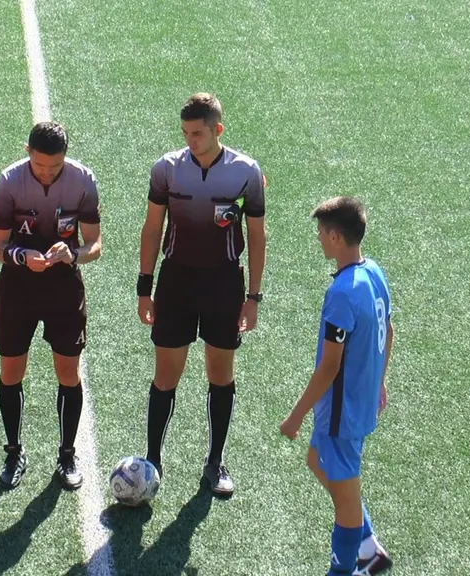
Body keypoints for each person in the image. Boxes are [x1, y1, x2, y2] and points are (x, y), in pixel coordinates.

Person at [137, 93, 267, 496]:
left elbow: (257, 236)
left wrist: (253, 297)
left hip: (223, 283)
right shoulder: (166, 169)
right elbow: (152, 228)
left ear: (217, 130)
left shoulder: (246, 172)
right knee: (165, 376)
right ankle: (152, 461)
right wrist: (144, 287)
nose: (190, 140)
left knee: (220, 374)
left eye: (197, 133)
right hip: (176, 281)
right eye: (185, 133)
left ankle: (215, 462)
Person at [280, 196, 394, 575]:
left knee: (345, 504)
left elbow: (330, 366)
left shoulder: (342, 293)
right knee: (317, 461)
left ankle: (348, 568)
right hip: (357, 401)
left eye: (320, 232)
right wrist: (379, 382)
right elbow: (388, 329)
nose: (317, 238)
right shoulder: (374, 272)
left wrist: (296, 416)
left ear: (335, 237)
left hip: (341, 415)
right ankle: (368, 546)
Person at [0, 121, 103, 490]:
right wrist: (23, 256)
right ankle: (13, 453)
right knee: (11, 372)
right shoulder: (9, 182)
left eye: (55, 166)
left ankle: (67, 454)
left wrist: (73, 254)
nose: (47, 173)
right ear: (28, 152)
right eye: (40, 165)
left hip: (63, 289)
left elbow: (94, 245)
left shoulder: (83, 181)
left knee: (68, 372)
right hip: (17, 288)